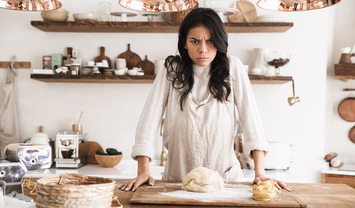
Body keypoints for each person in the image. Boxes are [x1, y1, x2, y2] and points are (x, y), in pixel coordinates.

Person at [120, 7, 291, 192]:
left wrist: (260, 172)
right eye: (195, 41)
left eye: (210, 41)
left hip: (226, 181)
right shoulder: (171, 70)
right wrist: (143, 170)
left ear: (219, 41)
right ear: (184, 43)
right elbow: (149, 120)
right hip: (178, 180)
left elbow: (251, 120)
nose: (203, 49)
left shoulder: (233, 67)